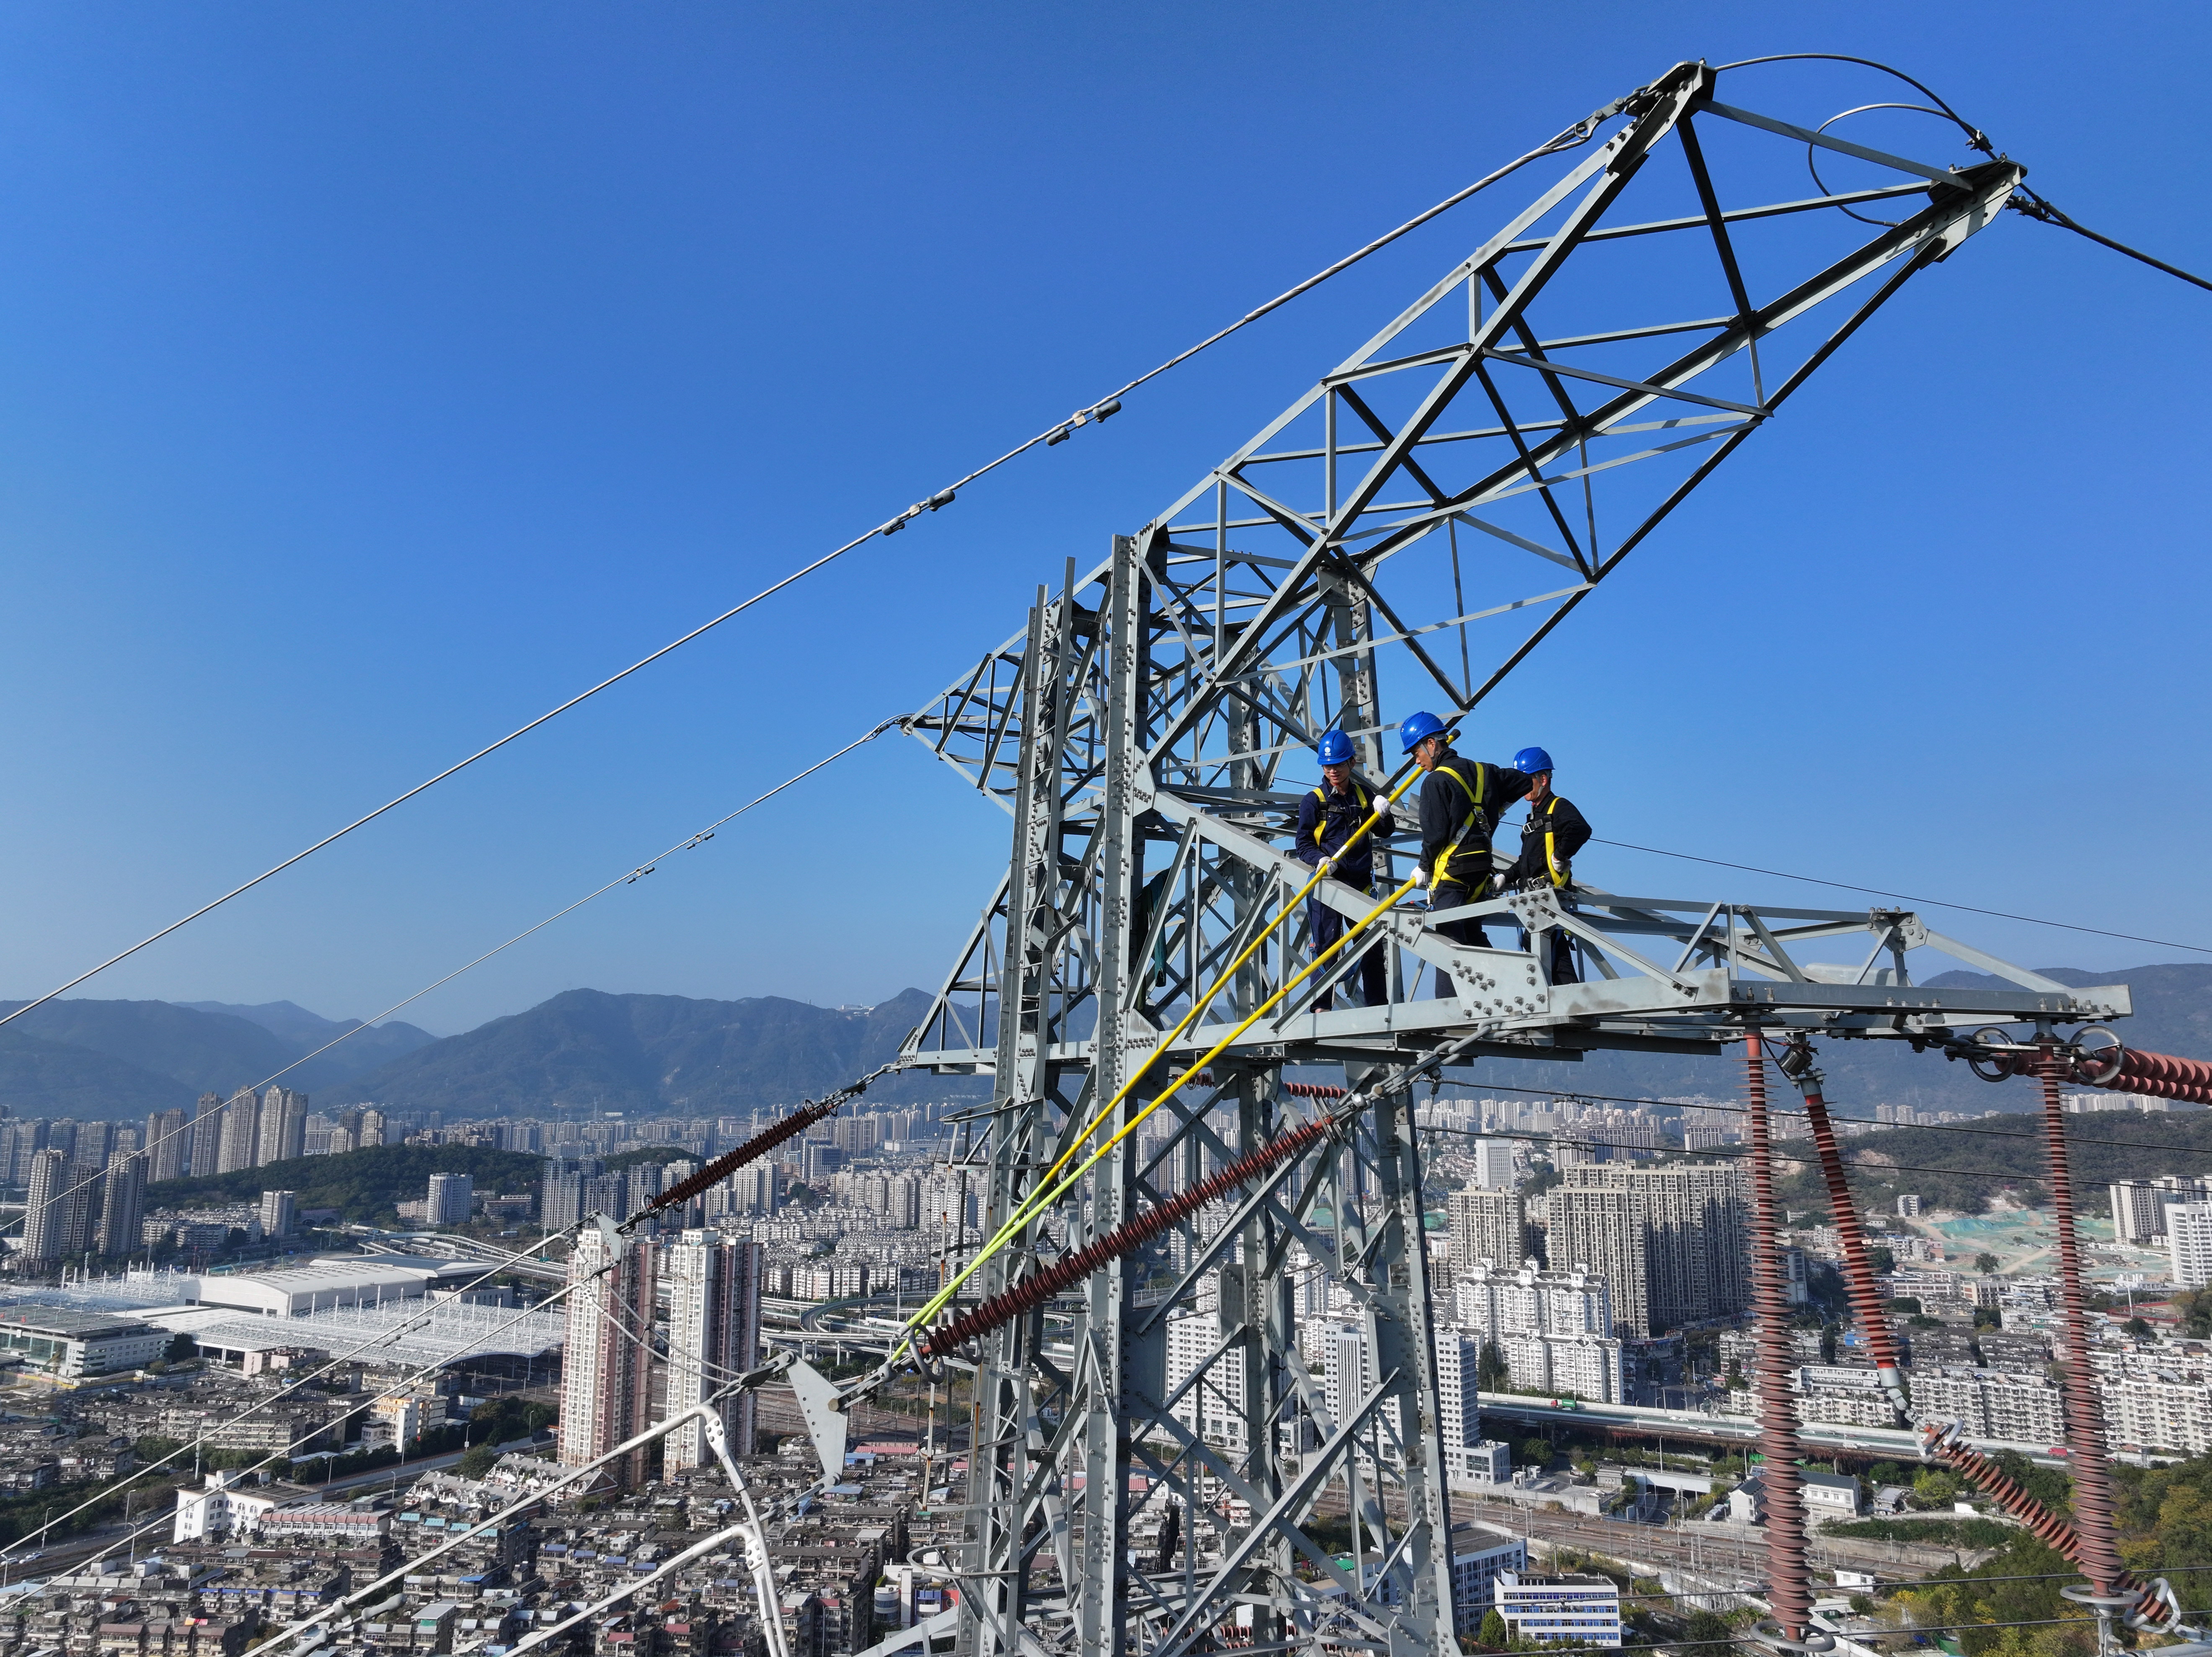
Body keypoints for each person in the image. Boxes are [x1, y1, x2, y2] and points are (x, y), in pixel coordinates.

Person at [1399, 712, 1537, 985]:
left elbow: (1436, 834)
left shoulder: (1435, 782)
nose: (1416, 761)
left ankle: (1450, 1016)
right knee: (1473, 936)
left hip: (1453, 874)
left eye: (1416, 752)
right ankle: (1504, 990)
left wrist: (1424, 867)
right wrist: (1492, 809)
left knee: (1446, 943)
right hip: (1481, 869)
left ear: (1431, 744)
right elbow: (1524, 782)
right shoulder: (1483, 771)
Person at [1294, 729, 1390, 1009]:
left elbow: (1384, 831)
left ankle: (1377, 1005)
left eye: (1337, 764)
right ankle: (1321, 1006)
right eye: (1328, 766)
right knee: (1326, 947)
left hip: (1359, 883)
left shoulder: (1363, 796)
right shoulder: (1314, 800)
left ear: (1351, 763)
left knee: (1370, 946)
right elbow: (1303, 843)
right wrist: (1319, 860)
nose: (1332, 770)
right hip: (1330, 884)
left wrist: (1383, 813)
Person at [1504, 746, 1591, 984]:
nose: (1521, 787)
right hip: (1536, 898)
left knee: (1551, 948)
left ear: (1543, 779)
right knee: (1543, 949)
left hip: (1550, 896)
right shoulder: (1535, 817)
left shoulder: (1558, 807)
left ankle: (1569, 1000)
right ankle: (1565, 999)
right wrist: (1505, 876)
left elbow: (1581, 829)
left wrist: (1560, 856)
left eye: (1526, 780)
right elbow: (1526, 862)